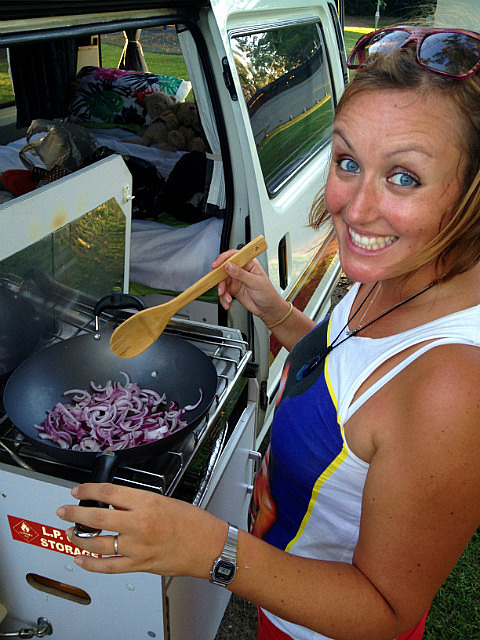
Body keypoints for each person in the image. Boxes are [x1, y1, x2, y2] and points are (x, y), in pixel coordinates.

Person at [56, 27, 480, 640]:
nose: (355, 209)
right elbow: (354, 381)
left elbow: (387, 610)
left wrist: (211, 547)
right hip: (284, 586)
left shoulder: (454, 389)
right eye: (348, 162)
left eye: (404, 177)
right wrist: (280, 316)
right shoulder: (402, 269)